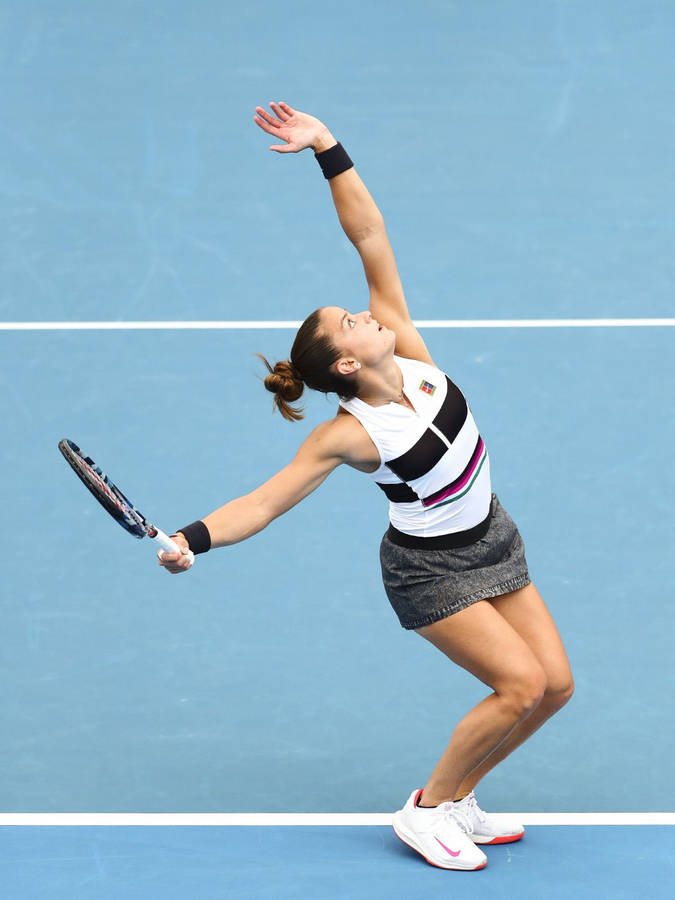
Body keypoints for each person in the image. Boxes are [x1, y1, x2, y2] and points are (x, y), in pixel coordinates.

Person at [158, 101, 574, 872]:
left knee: (554, 687)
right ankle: (424, 810)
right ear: (345, 365)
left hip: (491, 534)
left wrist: (327, 147)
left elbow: (369, 234)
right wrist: (191, 538)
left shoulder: (407, 348)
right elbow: (266, 499)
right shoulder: (349, 434)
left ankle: (459, 799)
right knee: (516, 684)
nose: (364, 313)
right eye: (350, 320)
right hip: (430, 568)